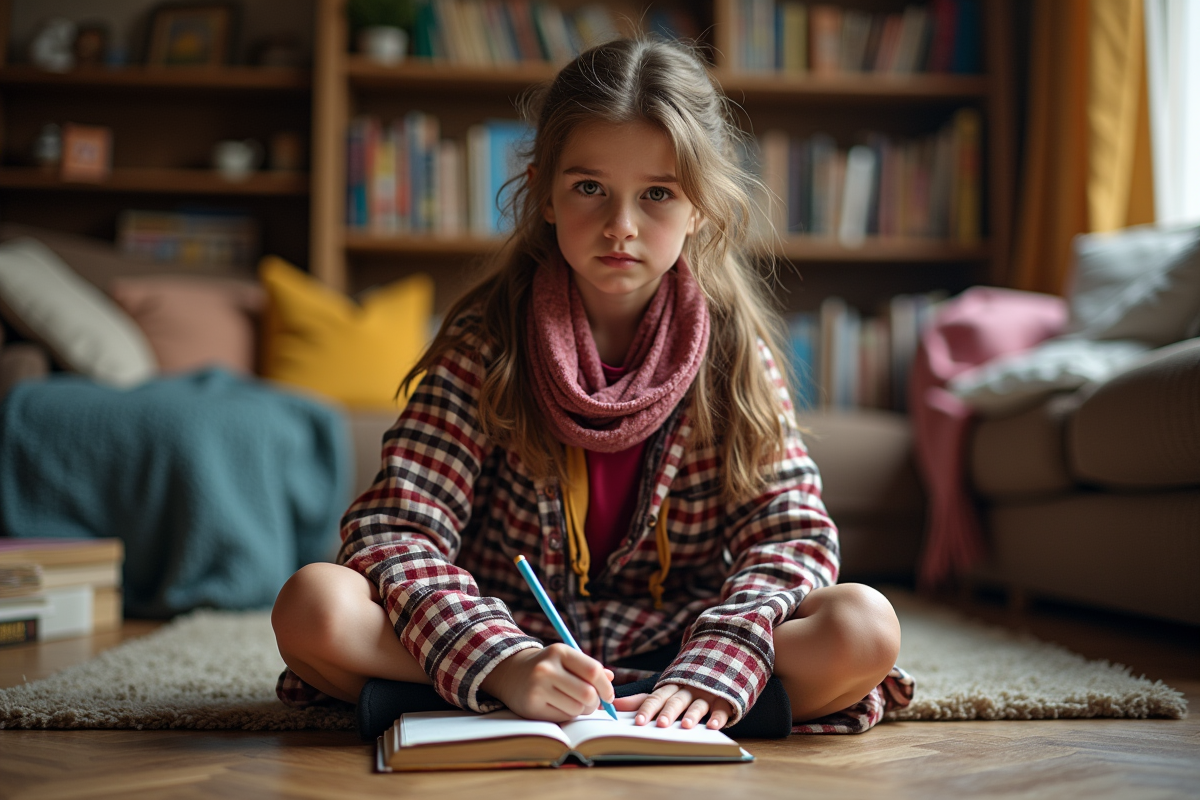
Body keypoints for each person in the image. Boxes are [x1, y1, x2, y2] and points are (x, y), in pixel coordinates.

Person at [272, 37, 911, 734]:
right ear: (545, 191)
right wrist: (504, 658)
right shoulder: (486, 343)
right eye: (589, 189)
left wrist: (721, 657)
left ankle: (663, 705)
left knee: (864, 627)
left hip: (683, 647)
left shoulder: (732, 353)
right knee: (314, 605)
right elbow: (393, 531)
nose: (621, 227)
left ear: (700, 207)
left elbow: (792, 540)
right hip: (504, 634)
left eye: (659, 194)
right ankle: (518, 696)